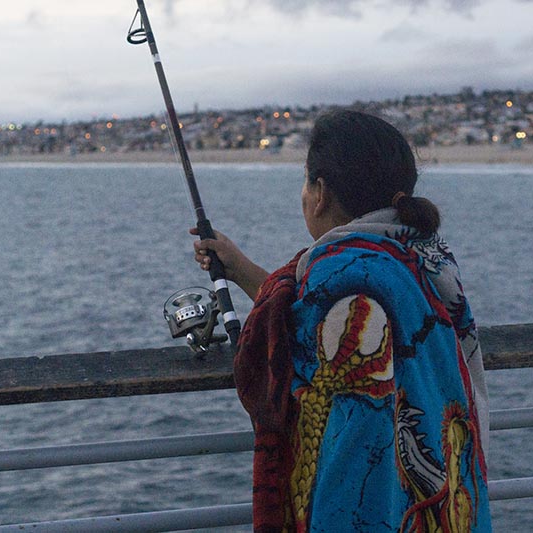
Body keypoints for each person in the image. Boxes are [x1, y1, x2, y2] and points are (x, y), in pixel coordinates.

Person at [192, 110, 491, 532]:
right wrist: (239, 267)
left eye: (305, 182)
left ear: (320, 192)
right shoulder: (422, 261)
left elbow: (352, 458)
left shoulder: (343, 291)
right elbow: (302, 319)